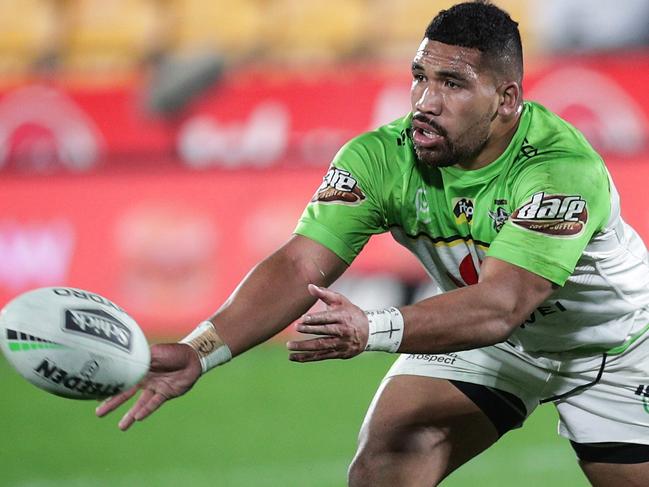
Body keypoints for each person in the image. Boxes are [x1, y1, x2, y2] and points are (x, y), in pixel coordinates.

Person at [96, 1, 649, 485]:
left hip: (616, 345)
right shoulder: (382, 159)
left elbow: (502, 303)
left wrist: (372, 329)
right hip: (494, 344)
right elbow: (299, 263)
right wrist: (200, 350)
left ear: (506, 99)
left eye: (452, 84)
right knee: (386, 458)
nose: (425, 101)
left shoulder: (560, 170)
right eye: (420, 76)